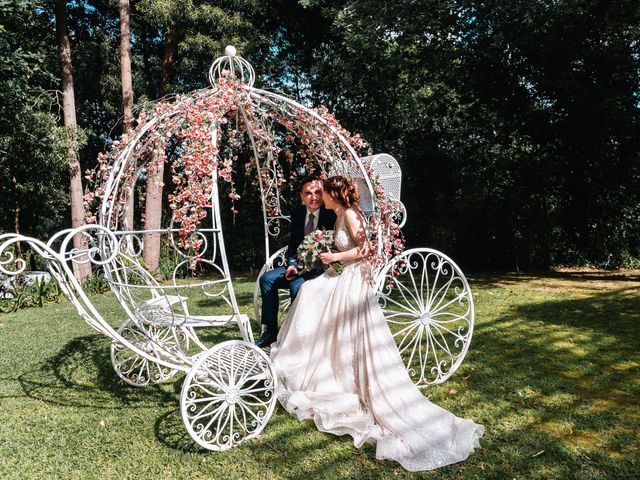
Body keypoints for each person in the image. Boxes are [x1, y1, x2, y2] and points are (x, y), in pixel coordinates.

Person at [270, 176, 484, 471]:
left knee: (308, 292)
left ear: (335, 195)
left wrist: (336, 255)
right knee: (308, 291)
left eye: (326, 194)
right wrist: (329, 261)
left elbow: (366, 250)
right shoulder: (340, 215)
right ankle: (302, 352)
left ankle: (306, 358)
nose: (322, 198)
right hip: (340, 274)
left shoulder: (352, 215)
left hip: (353, 279)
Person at [256, 176, 336, 348]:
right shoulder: (298, 213)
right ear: (301, 195)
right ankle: (270, 332)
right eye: (308, 193)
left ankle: (299, 338)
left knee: (296, 286)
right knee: (266, 279)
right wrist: (292, 264)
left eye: (317, 192)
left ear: (323, 193)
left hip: (321, 269)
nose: (313, 197)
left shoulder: (331, 213)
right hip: (298, 266)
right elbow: (293, 245)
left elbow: (334, 246)